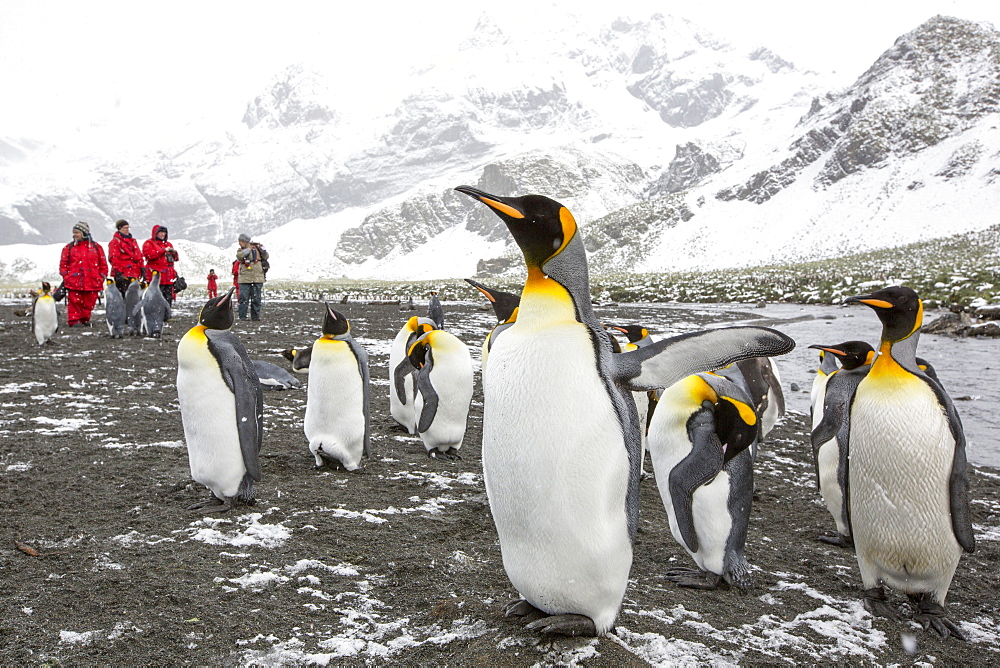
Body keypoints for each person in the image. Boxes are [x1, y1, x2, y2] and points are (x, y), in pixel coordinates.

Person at [59, 221, 108, 327]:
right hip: (74, 280)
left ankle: (84, 319)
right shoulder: (69, 247)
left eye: (77, 232)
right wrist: (66, 276)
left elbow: (103, 264)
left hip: (92, 280)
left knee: (89, 302)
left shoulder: (96, 247)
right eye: (74, 232)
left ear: (84, 232)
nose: (74, 235)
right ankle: (74, 320)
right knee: (74, 301)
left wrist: (101, 277)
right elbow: (63, 264)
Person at [142, 225, 179, 305]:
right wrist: (163, 251)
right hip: (156, 278)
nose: (163, 234)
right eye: (160, 232)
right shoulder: (149, 243)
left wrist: (174, 253)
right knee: (155, 301)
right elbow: (150, 255)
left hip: (168, 278)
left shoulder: (168, 244)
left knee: (168, 299)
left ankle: (166, 315)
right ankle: (156, 316)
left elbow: (175, 259)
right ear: (155, 233)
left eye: (164, 232)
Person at [235, 233, 268, 321]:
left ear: (244, 241)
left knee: (256, 298)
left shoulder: (258, 248)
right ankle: (243, 316)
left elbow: (266, 256)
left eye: (240, 242)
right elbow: (239, 256)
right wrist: (248, 249)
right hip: (245, 279)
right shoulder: (241, 250)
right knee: (243, 298)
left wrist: (262, 249)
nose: (239, 243)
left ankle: (255, 317)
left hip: (257, 277)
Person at [107, 219, 143, 297]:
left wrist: (142, 268)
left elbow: (139, 256)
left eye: (127, 228)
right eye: (124, 228)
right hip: (123, 274)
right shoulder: (115, 242)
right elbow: (113, 258)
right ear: (119, 228)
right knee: (124, 297)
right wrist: (118, 271)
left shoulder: (133, 241)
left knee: (134, 298)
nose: (127, 230)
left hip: (134, 273)